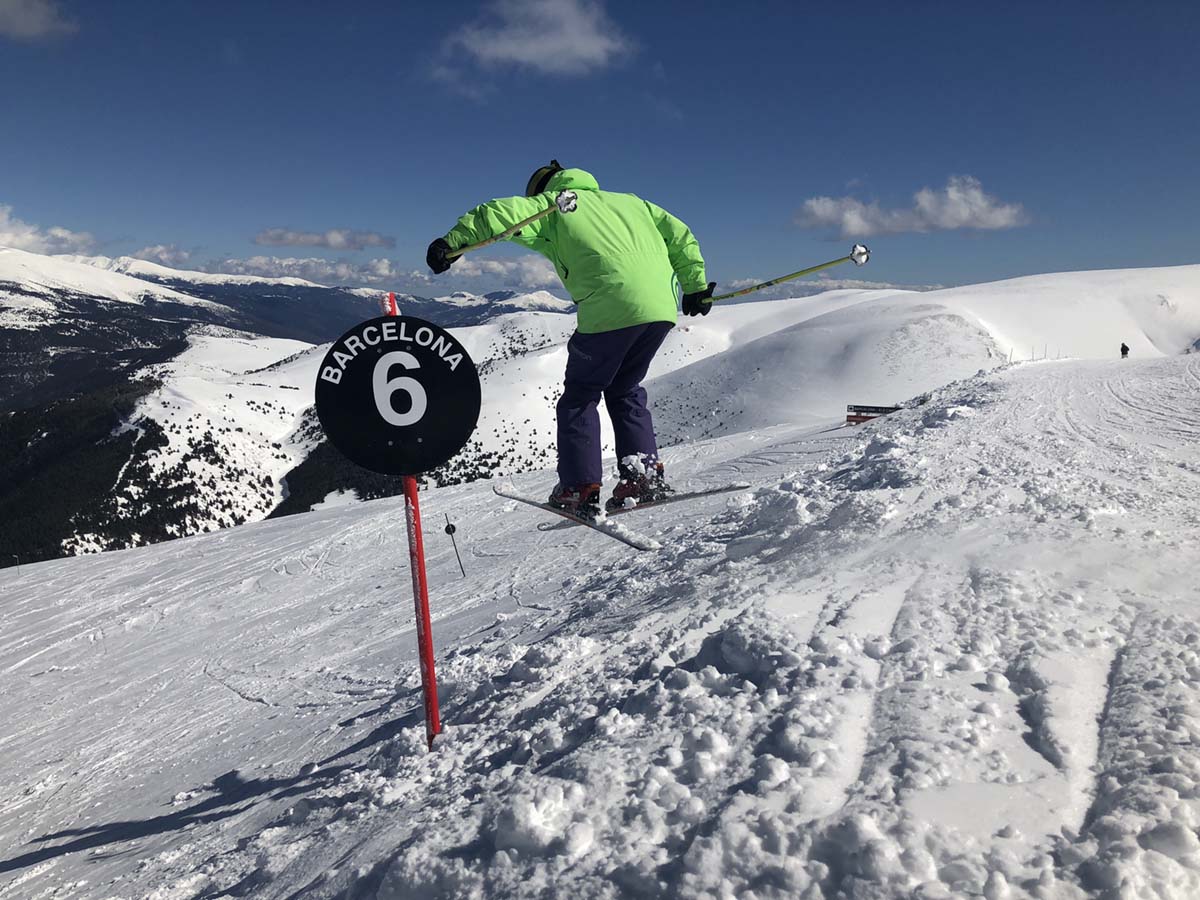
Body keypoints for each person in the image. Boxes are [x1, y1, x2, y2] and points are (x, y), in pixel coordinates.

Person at [427, 160, 714, 516]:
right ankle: (642, 477)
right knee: (625, 390)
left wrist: (452, 244)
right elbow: (680, 235)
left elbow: (498, 214)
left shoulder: (557, 203)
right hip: (659, 311)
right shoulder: (633, 203)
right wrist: (696, 287)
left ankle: (579, 487)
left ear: (542, 188)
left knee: (580, 396)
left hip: (611, 309)